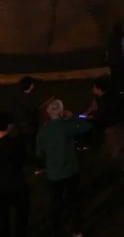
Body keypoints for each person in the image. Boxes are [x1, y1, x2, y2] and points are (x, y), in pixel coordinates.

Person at [36, 99, 91, 237]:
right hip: (71, 171)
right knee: (74, 201)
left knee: (55, 204)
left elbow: (39, 153)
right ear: (62, 112)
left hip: (53, 174)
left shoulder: (43, 132)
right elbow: (86, 126)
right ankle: (77, 230)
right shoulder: (67, 127)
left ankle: (56, 231)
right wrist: (73, 116)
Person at [0, 112, 29, 237]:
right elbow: (23, 160)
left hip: (0, 186)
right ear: (7, 126)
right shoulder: (13, 144)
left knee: (2, 218)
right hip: (15, 185)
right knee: (21, 214)